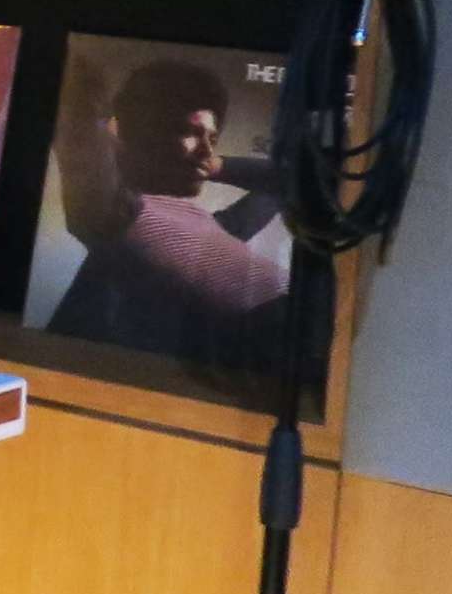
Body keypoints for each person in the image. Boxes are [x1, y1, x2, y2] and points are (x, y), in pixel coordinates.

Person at [47, 54, 292, 373]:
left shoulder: (216, 228)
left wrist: (215, 164)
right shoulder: (114, 214)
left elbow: (288, 179)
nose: (208, 149)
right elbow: (78, 100)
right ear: (147, 135)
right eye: (189, 132)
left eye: (213, 138)